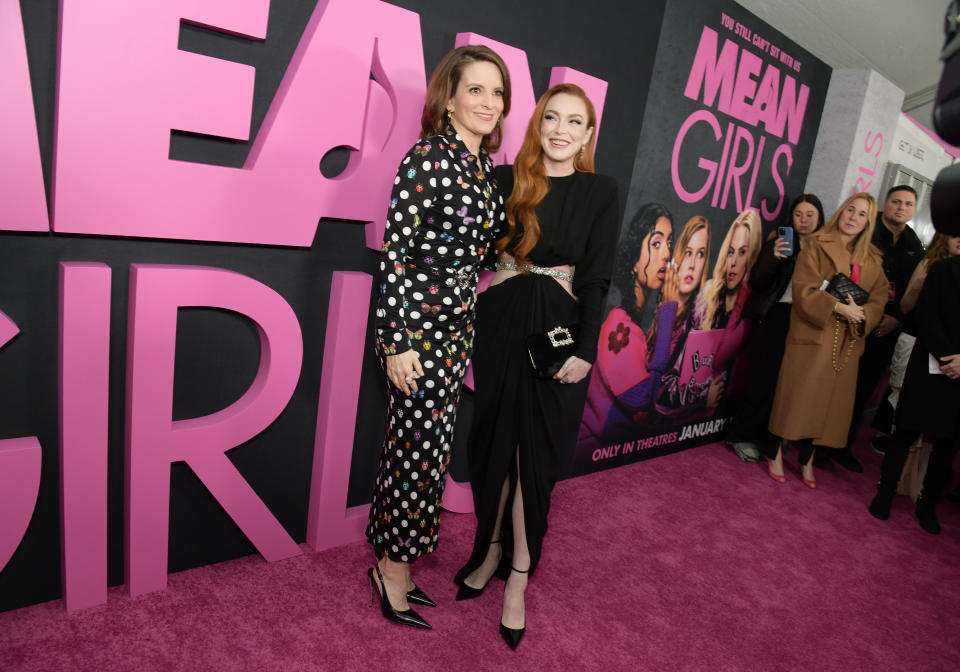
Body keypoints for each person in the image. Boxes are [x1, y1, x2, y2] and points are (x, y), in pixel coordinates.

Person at [454, 84, 618, 649]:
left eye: (575, 122)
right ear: (537, 123)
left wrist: (585, 349)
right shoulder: (504, 181)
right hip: (499, 322)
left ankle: (519, 574)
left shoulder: (600, 191)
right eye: (552, 117)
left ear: (587, 135)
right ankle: (489, 549)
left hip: (558, 332)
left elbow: (596, 277)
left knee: (535, 457)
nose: (561, 130)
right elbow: (470, 251)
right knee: (494, 444)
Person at [365, 44, 511, 630]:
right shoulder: (428, 157)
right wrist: (396, 340)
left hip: (457, 331)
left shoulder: (482, 172)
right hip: (417, 332)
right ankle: (391, 571)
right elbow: (394, 253)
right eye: (475, 89)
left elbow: (497, 248)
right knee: (414, 451)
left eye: (496, 92)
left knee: (426, 451)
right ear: (449, 99)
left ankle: (397, 561)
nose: (487, 102)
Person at [766, 193, 889, 488]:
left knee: (829, 406)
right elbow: (803, 289)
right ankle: (774, 451)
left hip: (847, 343)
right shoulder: (816, 245)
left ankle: (807, 458)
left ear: (868, 223)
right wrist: (836, 306)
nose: (853, 217)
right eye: (850, 210)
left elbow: (880, 298)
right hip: (814, 335)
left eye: (862, 215)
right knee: (794, 397)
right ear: (840, 211)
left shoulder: (872, 258)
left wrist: (863, 313)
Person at [869, 235, 960, 533]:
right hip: (928, 362)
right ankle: (885, 493)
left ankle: (928, 503)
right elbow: (926, 316)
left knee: (947, 444)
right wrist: (948, 357)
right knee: (905, 431)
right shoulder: (941, 270)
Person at [830, 186, 923, 472]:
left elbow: (912, 289)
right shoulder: (866, 230)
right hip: (851, 317)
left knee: (863, 389)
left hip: (887, 329)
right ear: (886, 203)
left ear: (913, 210)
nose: (900, 208)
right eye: (896, 202)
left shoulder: (914, 244)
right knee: (836, 383)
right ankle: (817, 441)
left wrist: (893, 318)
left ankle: (842, 445)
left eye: (908, 204)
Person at [726, 195, 825, 462]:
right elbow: (757, 282)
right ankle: (741, 435)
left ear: (820, 218)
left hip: (805, 322)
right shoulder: (780, 243)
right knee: (762, 382)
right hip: (774, 317)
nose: (804, 221)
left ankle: (770, 437)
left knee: (788, 386)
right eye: (798, 215)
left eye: (810, 215)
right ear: (790, 218)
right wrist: (775, 258)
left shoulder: (824, 249)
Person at [577, 203, 673, 448]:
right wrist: (668, 311)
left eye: (669, 243)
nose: (666, 254)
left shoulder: (637, 323)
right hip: (590, 456)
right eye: (656, 243)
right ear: (633, 259)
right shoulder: (619, 326)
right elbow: (643, 403)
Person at [655, 209, 761, 418]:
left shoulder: (750, 308)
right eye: (731, 251)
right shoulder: (707, 302)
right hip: (685, 422)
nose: (733, 262)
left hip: (721, 422)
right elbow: (665, 390)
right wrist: (703, 395)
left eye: (742, 252)